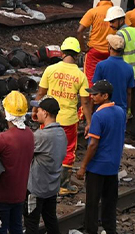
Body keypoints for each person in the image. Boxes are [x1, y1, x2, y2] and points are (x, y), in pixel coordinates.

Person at [34, 37, 91, 195]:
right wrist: (89, 122)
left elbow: (40, 93)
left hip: (48, 118)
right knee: (67, 151)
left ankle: (43, 181)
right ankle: (63, 185)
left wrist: (35, 110)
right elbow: (85, 103)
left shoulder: (50, 70)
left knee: (45, 149)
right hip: (69, 120)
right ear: (78, 55)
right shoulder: (80, 76)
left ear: (62, 52)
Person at [76, 80, 126, 234]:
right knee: (109, 202)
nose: (92, 97)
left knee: (92, 202)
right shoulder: (120, 111)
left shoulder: (98, 116)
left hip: (97, 166)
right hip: (112, 165)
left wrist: (83, 166)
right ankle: (110, 229)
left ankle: (91, 230)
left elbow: (93, 145)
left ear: (105, 96)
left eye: (95, 94)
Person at [0, 91, 34, 234]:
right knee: (16, 228)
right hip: (19, 193)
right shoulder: (30, 134)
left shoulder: (2, 139)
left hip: (1, 195)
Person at [108, 8, 135, 145]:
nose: (110, 24)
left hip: (127, 75)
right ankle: (134, 136)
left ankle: (120, 131)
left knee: (122, 103)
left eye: (113, 21)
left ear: (121, 20)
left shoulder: (120, 35)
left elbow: (117, 57)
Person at [25, 98, 66, 234]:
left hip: (36, 188)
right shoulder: (61, 133)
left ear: (46, 113)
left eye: (39, 110)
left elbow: (25, 154)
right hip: (52, 187)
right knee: (51, 220)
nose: (37, 112)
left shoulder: (41, 135)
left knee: (31, 223)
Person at [77, 0, 115, 85]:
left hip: (94, 51)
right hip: (111, 51)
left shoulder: (93, 12)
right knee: (109, 78)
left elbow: (79, 31)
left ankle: (90, 99)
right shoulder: (117, 12)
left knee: (90, 79)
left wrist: (83, 48)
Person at [92, 32, 134, 113]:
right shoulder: (129, 68)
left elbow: (95, 90)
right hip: (121, 109)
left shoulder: (101, 65)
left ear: (110, 47)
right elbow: (129, 92)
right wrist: (127, 110)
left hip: (102, 108)